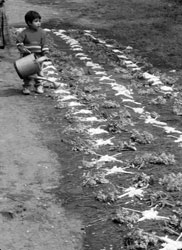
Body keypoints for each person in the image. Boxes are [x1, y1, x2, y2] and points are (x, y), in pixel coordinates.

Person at [16, 10, 49, 95]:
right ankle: (27, 86)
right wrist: (21, 48)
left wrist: (45, 54)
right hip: (27, 57)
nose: (39, 23)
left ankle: (39, 85)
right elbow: (19, 42)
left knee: (38, 72)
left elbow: (44, 44)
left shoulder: (42, 33)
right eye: (36, 21)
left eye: (39, 21)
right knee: (27, 72)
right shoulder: (24, 33)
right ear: (29, 23)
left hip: (38, 57)